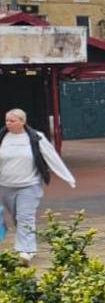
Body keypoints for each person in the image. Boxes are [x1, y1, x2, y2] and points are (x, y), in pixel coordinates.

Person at [0, 108, 76, 265]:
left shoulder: (35, 137)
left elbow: (52, 157)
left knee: (24, 216)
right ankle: (28, 245)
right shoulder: (2, 137)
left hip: (30, 185)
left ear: (22, 121)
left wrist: (67, 177)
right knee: (17, 217)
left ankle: (25, 251)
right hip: (6, 185)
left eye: (12, 120)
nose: (8, 123)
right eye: (6, 120)